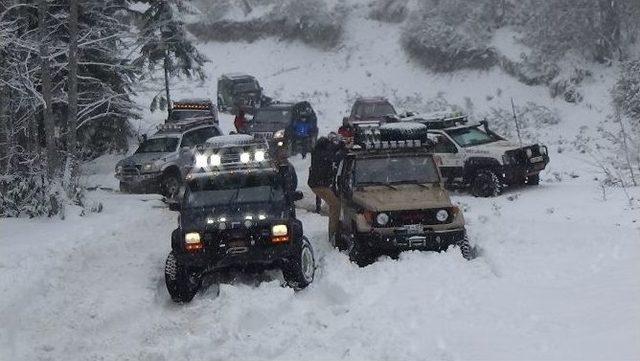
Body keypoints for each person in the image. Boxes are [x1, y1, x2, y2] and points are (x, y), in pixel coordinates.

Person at [308, 133, 345, 245]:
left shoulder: (318, 152)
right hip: (319, 185)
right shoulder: (322, 155)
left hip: (318, 184)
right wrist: (342, 149)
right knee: (335, 205)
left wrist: (339, 146)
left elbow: (331, 151)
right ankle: (333, 233)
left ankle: (334, 229)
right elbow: (333, 156)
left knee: (335, 204)